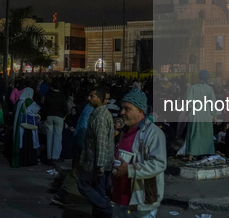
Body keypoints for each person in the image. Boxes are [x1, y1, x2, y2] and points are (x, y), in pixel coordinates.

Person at [112, 90, 167, 218]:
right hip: (119, 200)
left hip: (141, 202)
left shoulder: (154, 134)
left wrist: (129, 170)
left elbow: (158, 164)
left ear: (140, 111)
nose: (122, 112)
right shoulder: (122, 132)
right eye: (122, 108)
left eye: (127, 109)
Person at [77, 87, 114, 218]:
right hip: (96, 161)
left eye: (92, 96)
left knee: (83, 185)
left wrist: (100, 165)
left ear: (100, 99)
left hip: (95, 162)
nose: (89, 98)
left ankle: (107, 209)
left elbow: (101, 142)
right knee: (98, 191)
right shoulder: (97, 113)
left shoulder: (100, 117)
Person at [185, 70, 217, 160]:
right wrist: (214, 115)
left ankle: (191, 154)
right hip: (206, 114)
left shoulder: (193, 88)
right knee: (206, 134)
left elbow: (189, 102)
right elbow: (213, 103)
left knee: (194, 133)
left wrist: (187, 113)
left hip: (194, 114)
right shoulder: (209, 89)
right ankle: (206, 152)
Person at [12, 87, 41, 167]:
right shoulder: (29, 102)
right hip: (29, 127)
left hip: (20, 126)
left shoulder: (18, 102)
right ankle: (30, 160)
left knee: (21, 143)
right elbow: (36, 110)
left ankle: (21, 161)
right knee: (30, 144)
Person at [44, 82, 68, 163]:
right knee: (57, 137)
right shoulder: (62, 96)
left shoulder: (48, 95)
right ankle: (55, 157)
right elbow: (65, 108)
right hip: (59, 116)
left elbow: (45, 107)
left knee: (49, 137)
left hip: (49, 116)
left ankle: (49, 156)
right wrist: (63, 115)